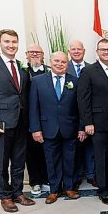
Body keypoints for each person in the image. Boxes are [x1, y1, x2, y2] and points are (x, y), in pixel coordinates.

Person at [0, 29, 35, 212]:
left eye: (14, 42)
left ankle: (18, 192)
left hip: (20, 122)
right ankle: (5, 196)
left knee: (19, 160)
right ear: (0, 43)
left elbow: (24, 94)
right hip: (0, 124)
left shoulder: (21, 66)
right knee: (2, 162)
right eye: (7, 42)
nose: (11, 45)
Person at [29, 52, 86, 204]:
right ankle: (54, 190)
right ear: (50, 62)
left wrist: (81, 128)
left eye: (63, 62)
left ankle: (69, 187)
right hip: (48, 128)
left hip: (70, 128)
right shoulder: (37, 81)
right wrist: (35, 129)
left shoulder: (75, 81)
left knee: (70, 159)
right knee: (51, 160)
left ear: (68, 64)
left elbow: (81, 107)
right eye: (57, 61)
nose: (60, 64)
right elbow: (33, 107)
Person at [78, 39, 108, 205]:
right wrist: (87, 122)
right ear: (97, 52)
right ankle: (103, 190)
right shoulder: (88, 71)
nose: (106, 52)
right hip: (97, 123)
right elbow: (83, 99)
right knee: (100, 157)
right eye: (103, 50)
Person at [67, 40, 96, 188]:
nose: (77, 51)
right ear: (69, 52)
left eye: (79, 49)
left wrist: (86, 121)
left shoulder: (92, 68)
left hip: (89, 115)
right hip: (70, 116)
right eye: (73, 49)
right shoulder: (63, 68)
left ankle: (91, 175)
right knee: (74, 149)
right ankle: (76, 176)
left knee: (90, 147)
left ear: (84, 51)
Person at [24, 43, 49, 196]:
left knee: (46, 152)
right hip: (28, 120)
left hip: (47, 119)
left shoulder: (49, 71)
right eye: (31, 52)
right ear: (26, 54)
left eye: (37, 52)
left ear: (43, 55)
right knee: (31, 153)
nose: (34, 55)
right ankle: (35, 182)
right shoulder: (22, 72)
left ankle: (46, 179)